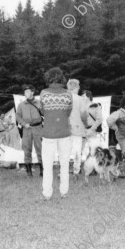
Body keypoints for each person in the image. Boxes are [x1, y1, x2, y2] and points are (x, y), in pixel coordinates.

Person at [39, 67, 73, 200]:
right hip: (64, 133)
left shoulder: (44, 93)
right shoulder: (68, 94)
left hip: (48, 134)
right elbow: (68, 112)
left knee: (47, 165)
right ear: (61, 78)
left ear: (49, 78)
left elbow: (42, 111)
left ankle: (47, 194)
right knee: (64, 165)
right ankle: (64, 192)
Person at [16, 85, 44, 177]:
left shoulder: (39, 103)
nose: (25, 93)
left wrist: (42, 109)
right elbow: (18, 116)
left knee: (40, 149)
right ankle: (29, 171)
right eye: (24, 92)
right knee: (26, 149)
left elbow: (45, 114)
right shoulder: (21, 105)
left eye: (27, 91)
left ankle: (42, 170)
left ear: (32, 92)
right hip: (26, 129)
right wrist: (24, 124)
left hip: (38, 128)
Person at [107, 96, 125, 175]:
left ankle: (122, 168)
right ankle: (121, 170)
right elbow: (109, 121)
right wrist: (116, 127)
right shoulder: (118, 112)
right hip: (121, 136)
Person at [67, 79, 88, 178]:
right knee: (77, 151)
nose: (79, 88)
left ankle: (64, 171)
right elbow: (84, 114)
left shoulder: (63, 98)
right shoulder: (80, 99)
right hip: (77, 128)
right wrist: (85, 124)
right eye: (79, 86)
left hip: (64, 129)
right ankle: (76, 171)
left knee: (64, 151)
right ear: (76, 87)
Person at [83, 90, 103, 163]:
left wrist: (92, 129)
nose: (82, 97)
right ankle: (77, 169)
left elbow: (99, 119)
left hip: (91, 130)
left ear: (88, 97)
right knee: (79, 149)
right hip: (82, 130)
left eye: (83, 96)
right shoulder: (80, 106)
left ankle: (93, 167)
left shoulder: (96, 106)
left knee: (93, 150)